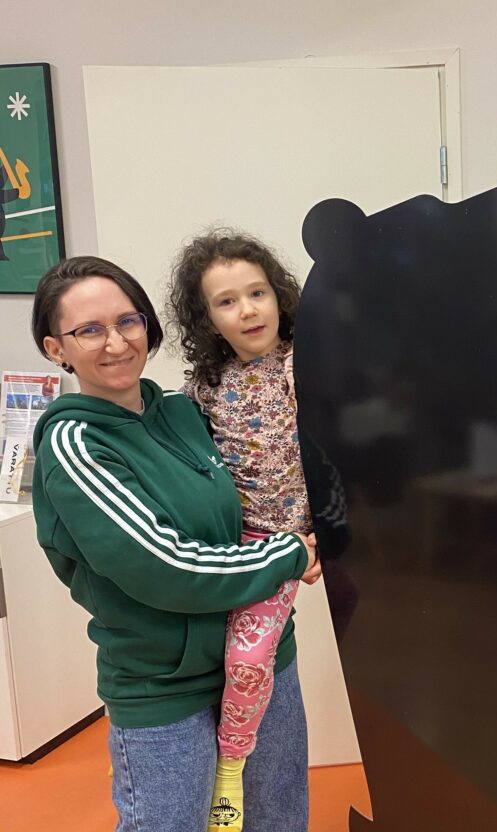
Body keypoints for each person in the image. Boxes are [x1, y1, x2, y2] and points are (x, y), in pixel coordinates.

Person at [30, 255, 320, 832]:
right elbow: (166, 566)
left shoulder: (185, 412)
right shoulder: (75, 445)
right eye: (88, 330)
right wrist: (288, 554)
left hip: (262, 661)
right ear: (54, 348)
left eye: (128, 321)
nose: (115, 342)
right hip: (167, 687)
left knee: (280, 820)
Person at [165, 229, 316, 832]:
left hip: (303, 534)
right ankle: (231, 766)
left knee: (251, 655)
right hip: (244, 542)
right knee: (241, 657)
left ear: (279, 296)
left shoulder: (309, 363)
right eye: (227, 301)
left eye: (257, 292)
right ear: (207, 318)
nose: (247, 309)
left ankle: (231, 761)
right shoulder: (206, 387)